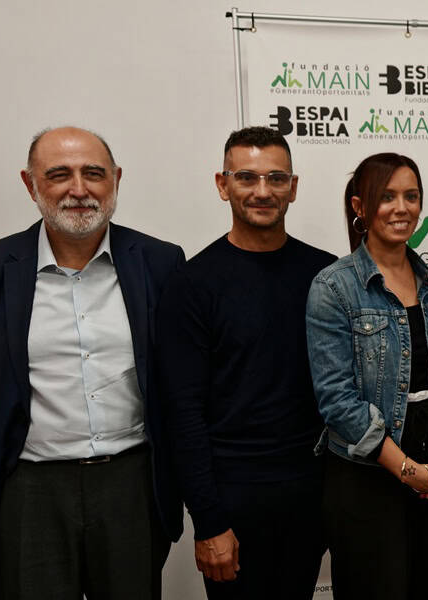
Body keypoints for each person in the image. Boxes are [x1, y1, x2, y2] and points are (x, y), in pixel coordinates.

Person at [0, 126, 185, 598]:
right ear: (31, 184)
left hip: (131, 483)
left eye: (94, 173)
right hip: (28, 489)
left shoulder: (161, 263)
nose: (78, 189)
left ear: (116, 180)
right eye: (59, 174)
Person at [155, 126, 334, 598]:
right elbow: (184, 412)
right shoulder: (192, 284)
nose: (262, 191)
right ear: (222, 184)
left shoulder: (325, 274)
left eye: (276, 178)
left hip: (315, 492)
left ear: (293, 187)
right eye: (246, 177)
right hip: (233, 497)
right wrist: (209, 520)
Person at [306, 152, 428, 599]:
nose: (401, 208)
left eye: (411, 196)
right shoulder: (333, 287)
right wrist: (407, 471)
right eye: (387, 197)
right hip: (369, 475)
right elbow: (337, 401)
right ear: (359, 206)